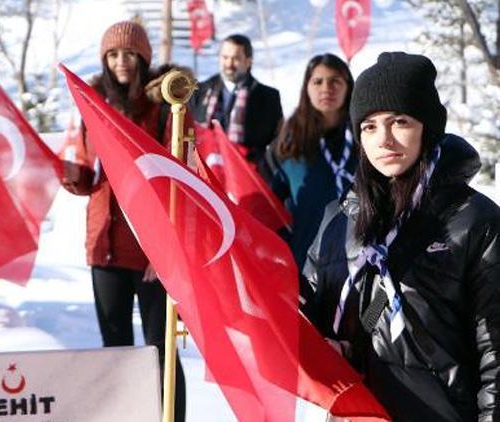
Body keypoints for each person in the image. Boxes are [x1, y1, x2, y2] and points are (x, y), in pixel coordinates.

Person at [302, 52, 500, 420]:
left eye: (400, 122)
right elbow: (307, 312)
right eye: (370, 126)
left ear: (427, 127)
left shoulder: (474, 221)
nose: (385, 139)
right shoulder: (339, 219)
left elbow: (495, 353)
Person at [61, 21, 187, 422]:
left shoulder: (166, 106)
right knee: (114, 348)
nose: (121, 62)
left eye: (129, 54)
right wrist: (71, 175)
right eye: (113, 54)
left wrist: (166, 247)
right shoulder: (92, 105)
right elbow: (89, 176)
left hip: (151, 251)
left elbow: (180, 181)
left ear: (143, 58)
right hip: (105, 245)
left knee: (160, 349)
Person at [266, 53, 355, 267]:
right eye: (318, 81)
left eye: (335, 81)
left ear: (348, 87)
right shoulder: (288, 143)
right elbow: (269, 206)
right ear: (307, 87)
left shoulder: (366, 138)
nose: (326, 88)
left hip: (358, 257)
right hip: (304, 259)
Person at [191, 34, 283, 164]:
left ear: (248, 61)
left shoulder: (268, 98)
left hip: (246, 174)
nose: (229, 64)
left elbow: (276, 145)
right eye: (225, 57)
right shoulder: (199, 92)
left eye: (236, 59)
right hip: (205, 172)